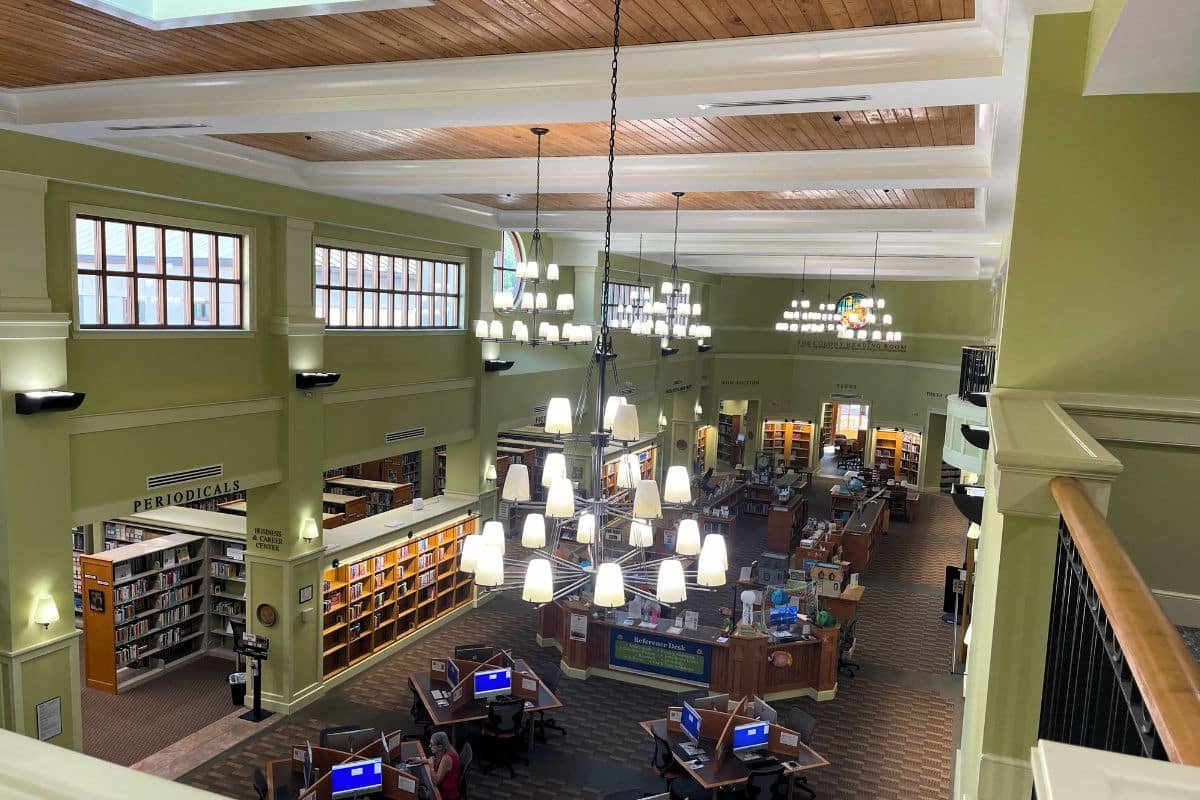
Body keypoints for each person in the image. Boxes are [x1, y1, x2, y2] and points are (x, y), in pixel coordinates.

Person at [422, 731, 461, 800]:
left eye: (431, 744)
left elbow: (436, 782)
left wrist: (431, 766)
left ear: (440, 747)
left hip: (447, 795)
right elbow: (437, 761)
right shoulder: (448, 749)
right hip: (448, 788)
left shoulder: (446, 759)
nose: (429, 746)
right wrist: (421, 760)